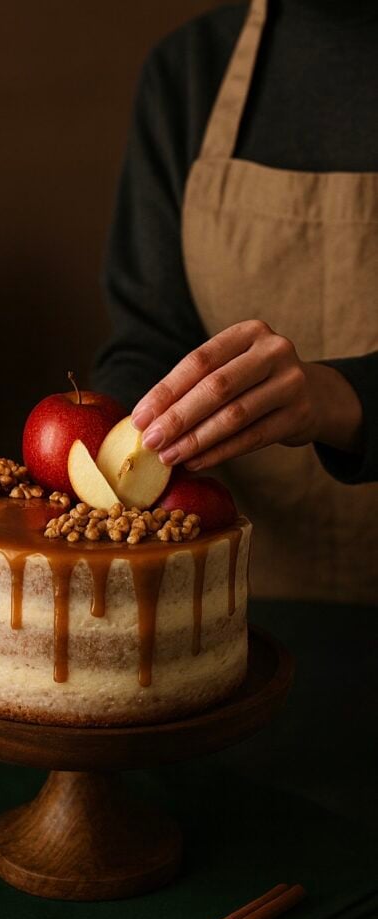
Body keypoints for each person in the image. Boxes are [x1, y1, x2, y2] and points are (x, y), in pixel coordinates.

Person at [92, 0, 378, 603]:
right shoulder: (188, 71)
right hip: (225, 595)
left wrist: (330, 396)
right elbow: (151, 332)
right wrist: (100, 441)